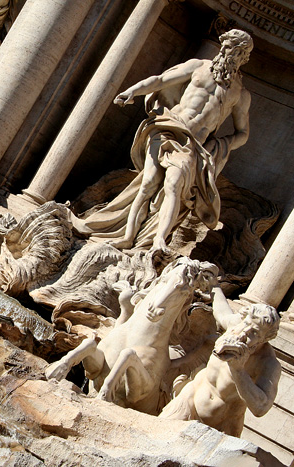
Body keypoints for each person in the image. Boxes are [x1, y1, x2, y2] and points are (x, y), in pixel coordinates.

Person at [72, 30, 253, 252]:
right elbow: (160, 80)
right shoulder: (198, 67)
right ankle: (128, 237)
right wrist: (133, 91)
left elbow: (242, 133)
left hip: (192, 145)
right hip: (168, 128)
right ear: (222, 46)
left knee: (174, 184)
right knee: (148, 183)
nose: (232, 54)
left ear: (245, 58)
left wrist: (220, 146)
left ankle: (159, 240)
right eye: (230, 48)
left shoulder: (240, 94)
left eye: (240, 52)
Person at [159, 287, 280, 436]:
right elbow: (221, 311)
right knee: (157, 436)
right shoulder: (235, 325)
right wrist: (213, 286)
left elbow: (261, 407)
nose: (244, 332)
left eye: (254, 333)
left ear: (264, 339)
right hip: (189, 399)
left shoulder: (267, 363)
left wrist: (238, 370)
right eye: (246, 323)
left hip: (224, 425)